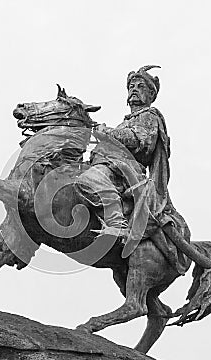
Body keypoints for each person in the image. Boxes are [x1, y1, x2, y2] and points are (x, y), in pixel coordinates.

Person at [77, 66, 190, 272]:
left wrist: (108, 132)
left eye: (140, 86)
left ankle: (117, 223)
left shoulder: (150, 116)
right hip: (107, 163)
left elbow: (141, 140)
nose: (134, 90)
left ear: (150, 94)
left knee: (89, 181)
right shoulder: (125, 121)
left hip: (125, 170)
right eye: (131, 86)